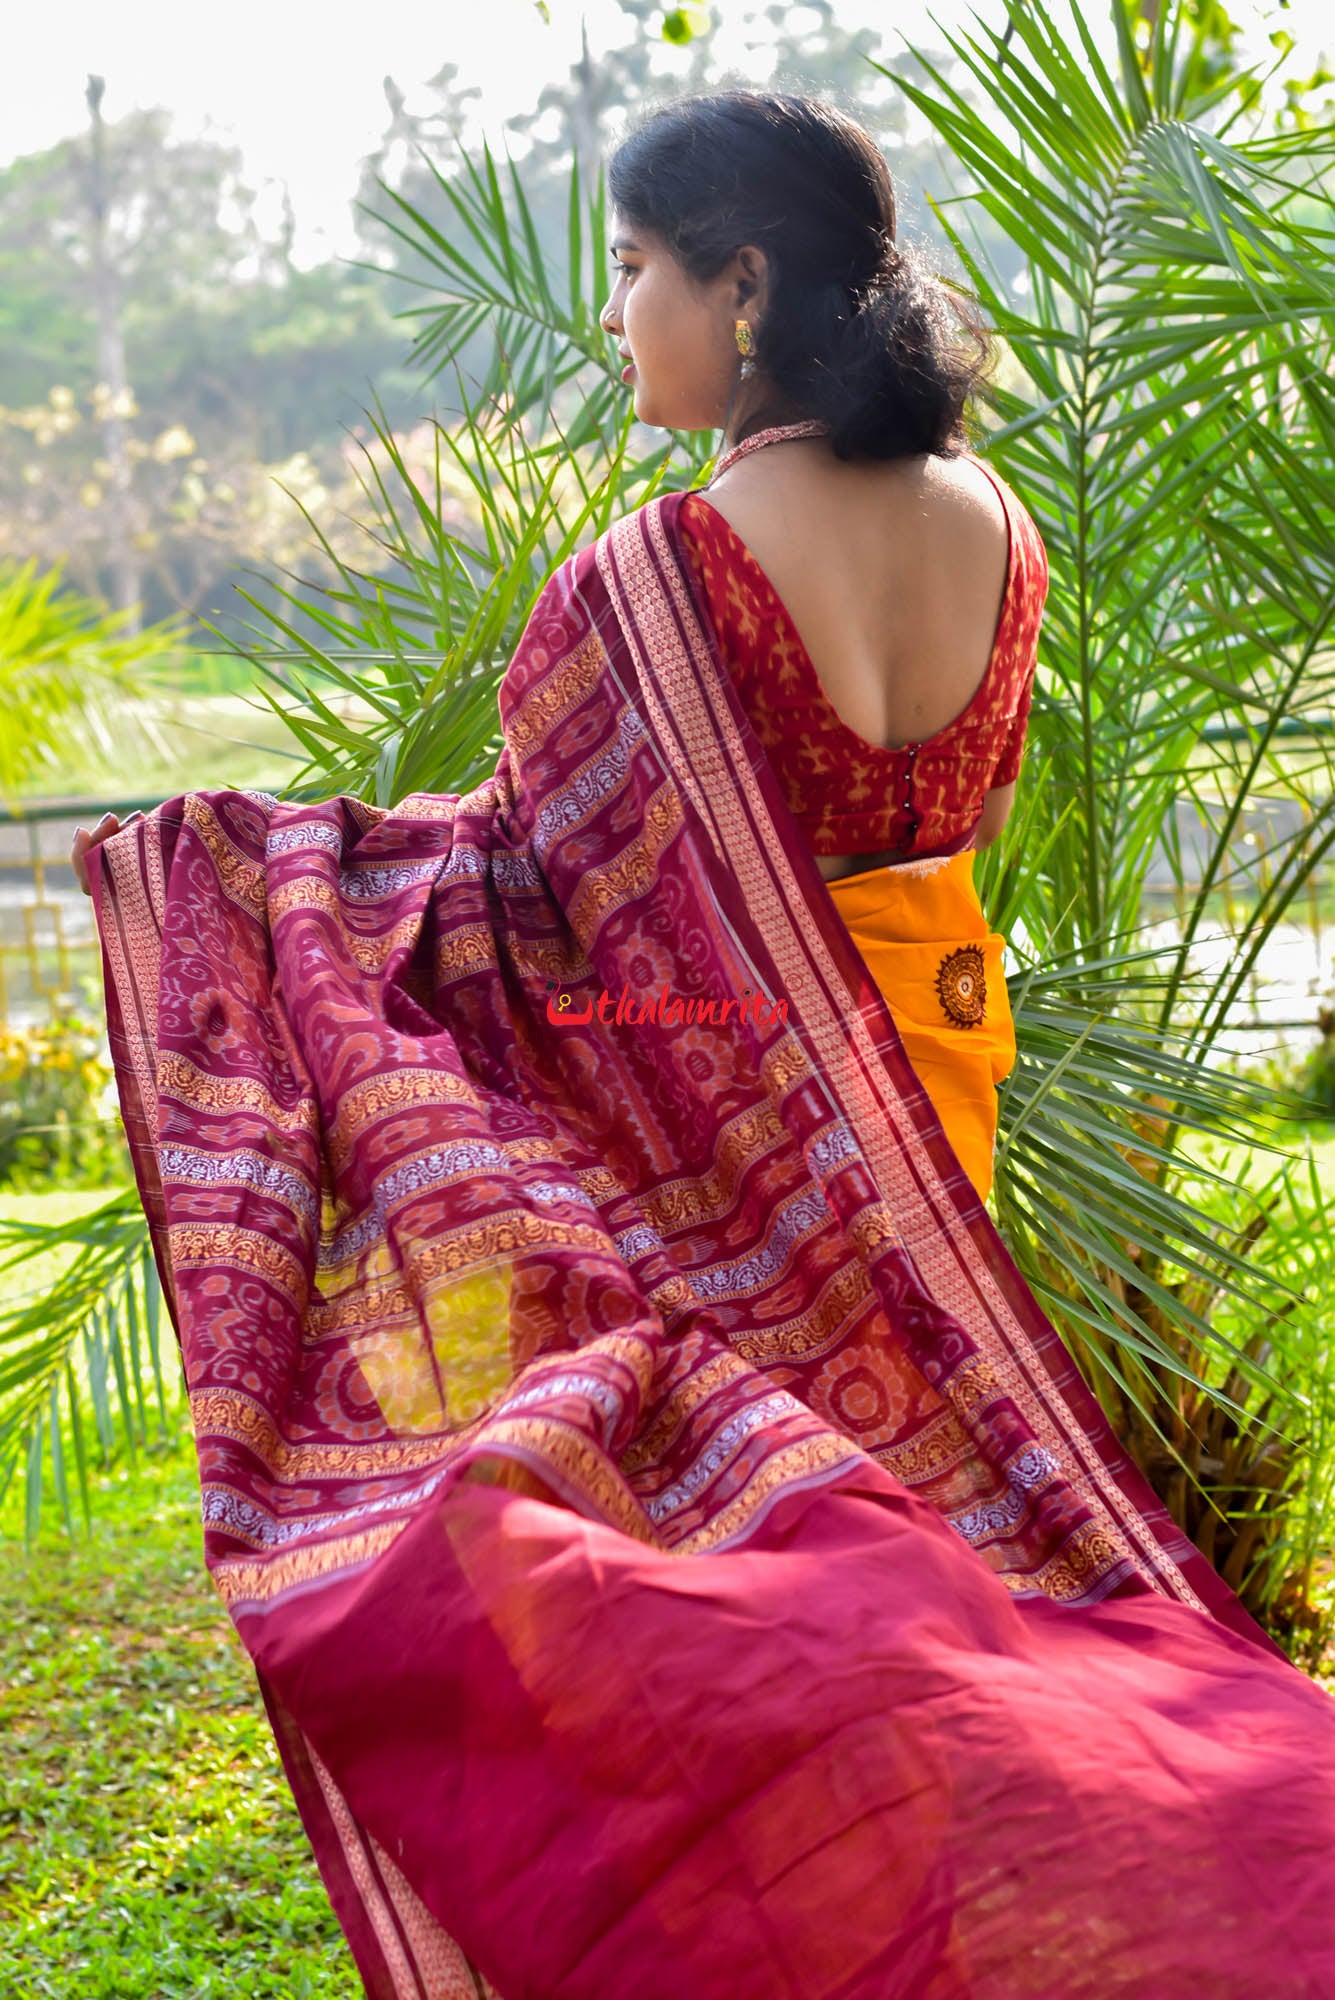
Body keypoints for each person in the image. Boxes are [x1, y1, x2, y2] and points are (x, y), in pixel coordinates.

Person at [73, 90, 1335, 2000]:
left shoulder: (653, 579)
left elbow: (523, 884)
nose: (616, 315)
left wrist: (257, 876)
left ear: (743, 286)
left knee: (796, 1595)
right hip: (929, 1076)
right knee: (939, 1545)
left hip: (734, 1113)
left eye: (639, 271)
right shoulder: (1002, 525)